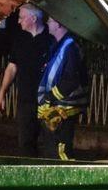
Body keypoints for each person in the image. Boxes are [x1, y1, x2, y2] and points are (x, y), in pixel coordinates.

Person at [0, 3, 52, 156]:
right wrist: (2, 94)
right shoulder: (20, 39)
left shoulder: (51, 38)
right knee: (26, 143)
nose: (18, 21)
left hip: (47, 101)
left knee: (50, 143)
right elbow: (12, 67)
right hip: (26, 100)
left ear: (33, 18)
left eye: (21, 17)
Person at [36, 17, 89, 160]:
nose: (47, 23)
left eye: (50, 21)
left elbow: (71, 79)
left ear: (59, 24)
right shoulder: (60, 45)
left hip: (63, 110)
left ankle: (66, 181)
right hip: (56, 109)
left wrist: (50, 97)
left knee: (60, 153)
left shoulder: (70, 47)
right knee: (52, 152)